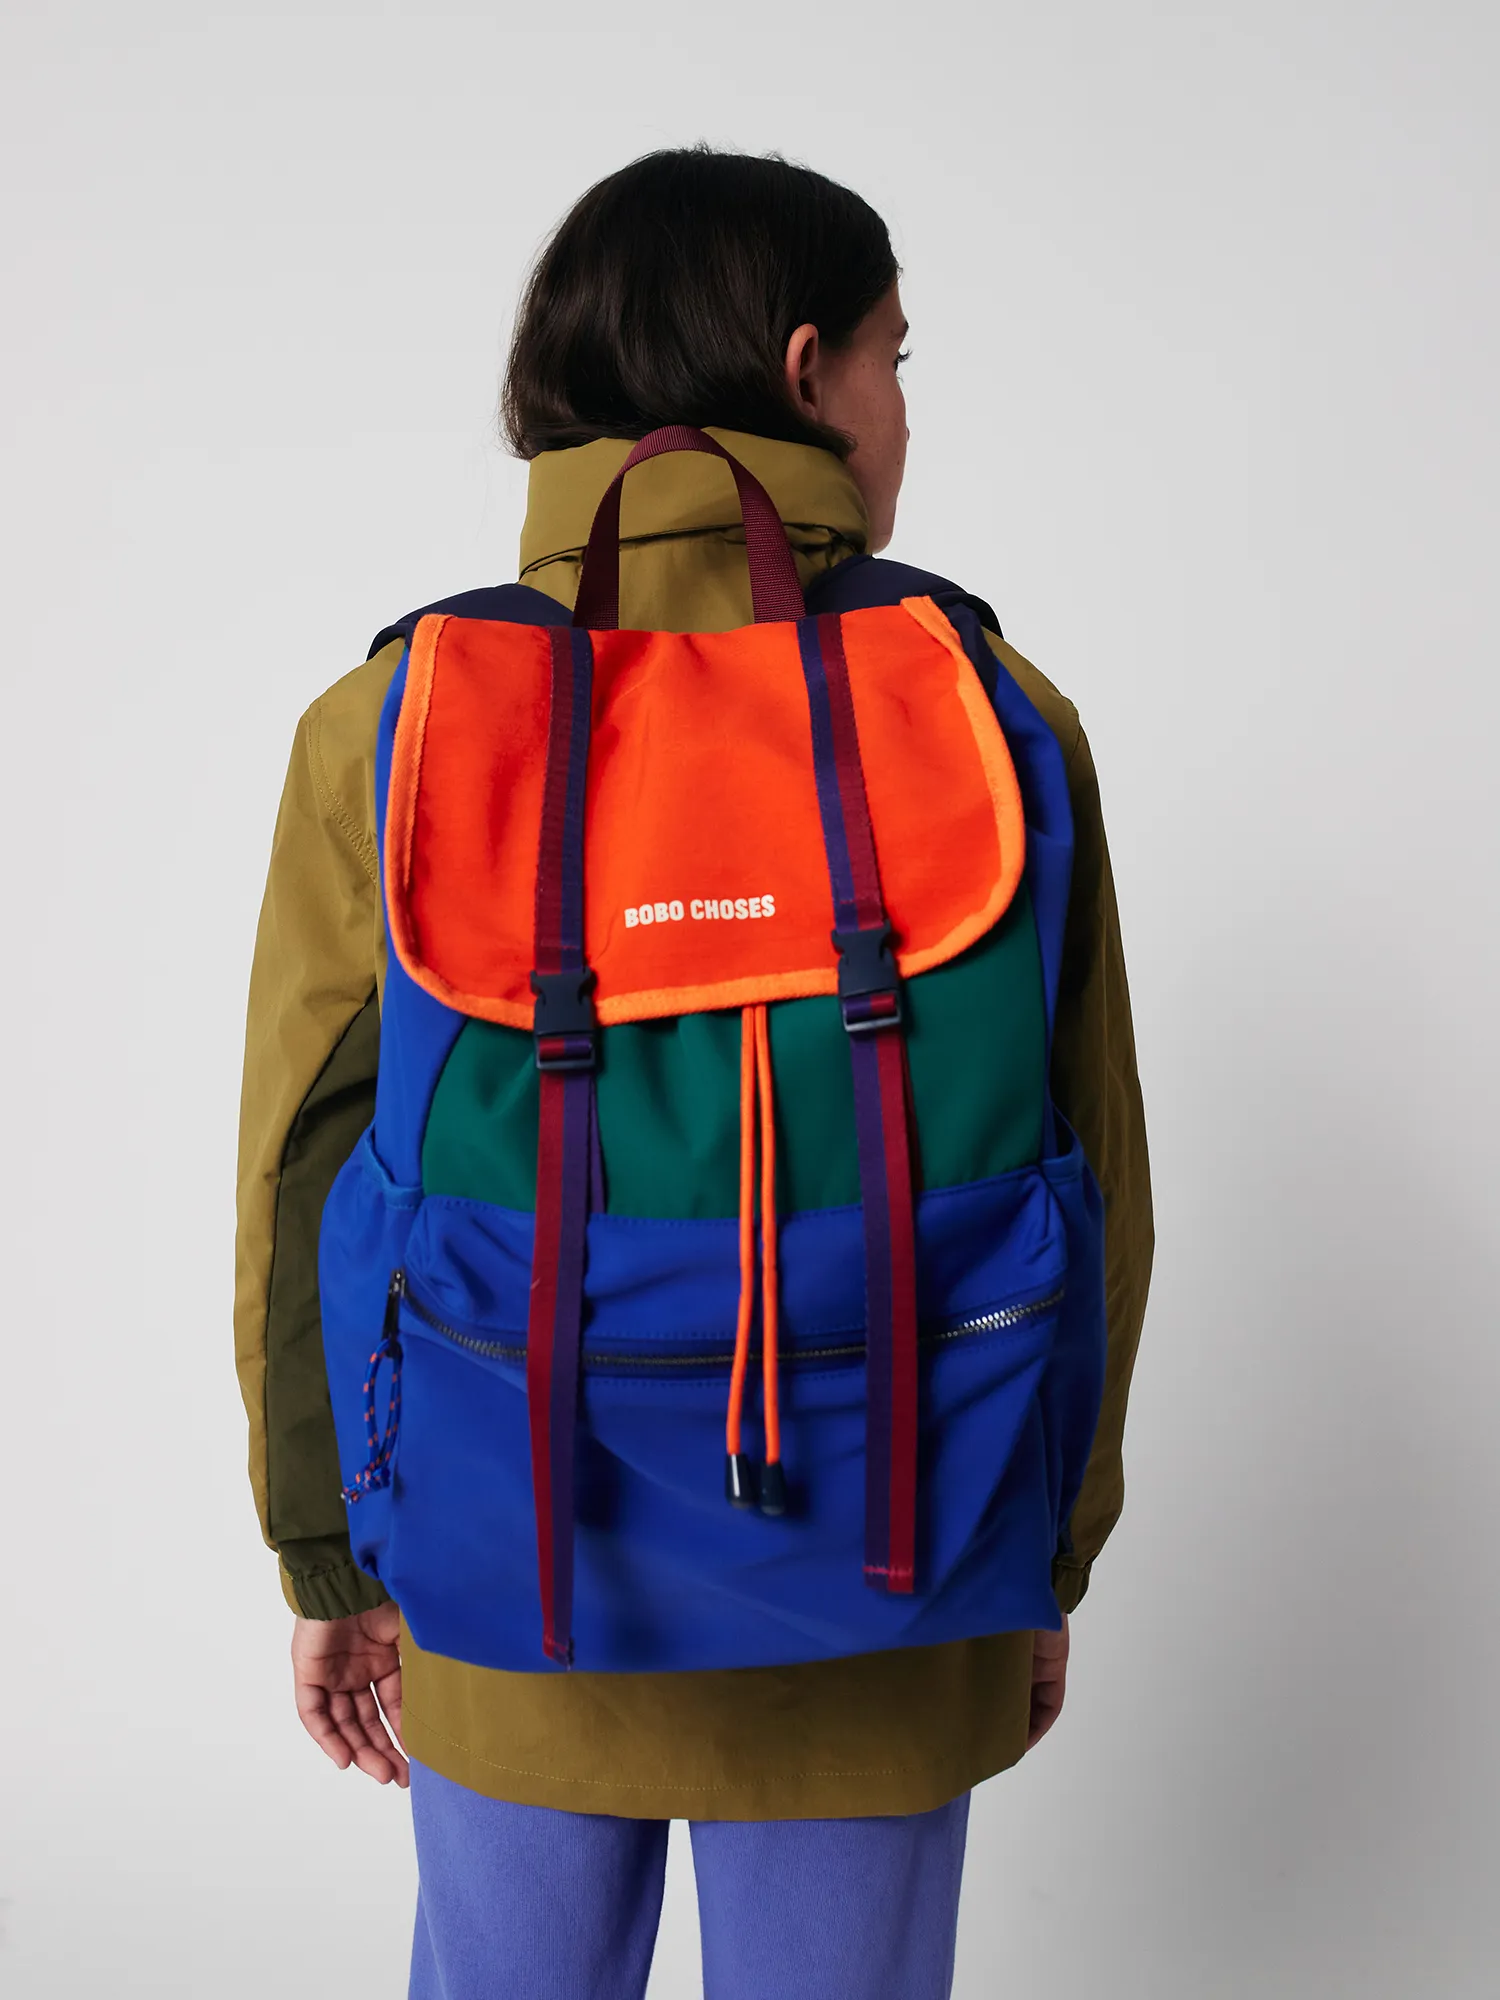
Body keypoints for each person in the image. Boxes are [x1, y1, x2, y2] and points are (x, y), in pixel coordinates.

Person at [235, 145, 1152, 2000]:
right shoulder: (987, 709)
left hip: (509, 1557)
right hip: (903, 1556)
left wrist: (334, 1557)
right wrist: (1038, 1553)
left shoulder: (399, 719)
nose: (905, 409)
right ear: (808, 370)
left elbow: (305, 1164)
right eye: (897, 358)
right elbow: (1096, 1169)